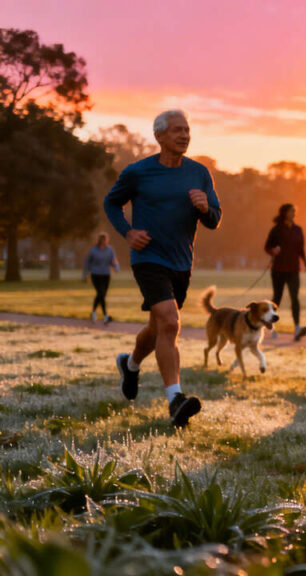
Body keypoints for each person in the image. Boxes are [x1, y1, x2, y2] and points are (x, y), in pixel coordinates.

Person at [104, 109, 221, 427]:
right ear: (159, 136)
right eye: (177, 130)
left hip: (181, 262)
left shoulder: (199, 173)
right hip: (148, 259)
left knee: (158, 329)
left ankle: (130, 364)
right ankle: (175, 400)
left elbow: (214, 219)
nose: (184, 135)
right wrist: (128, 231)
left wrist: (204, 207)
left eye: (187, 130)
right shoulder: (138, 172)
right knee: (171, 323)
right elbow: (111, 203)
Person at [264, 203, 306, 341]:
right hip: (278, 269)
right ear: (284, 213)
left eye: (294, 211)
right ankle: (270, 325)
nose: (294, 213)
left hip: (293, 269)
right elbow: (267, 247)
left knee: (295, 298)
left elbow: (301, 249)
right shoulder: (276, 230)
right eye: (291, 211)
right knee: (277, 298)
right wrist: (273, 250)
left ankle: (297, 328)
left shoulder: (298, 230)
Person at [83, 232, 120, 324]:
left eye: (105, 239)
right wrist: (85, 274)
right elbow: (88, 262)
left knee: (102, 295)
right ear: (99, 240)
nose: (104, 241)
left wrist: (116, 266)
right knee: (101, 293)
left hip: (106, 275)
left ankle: (94, 313)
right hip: (95, 274)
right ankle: (105, 316)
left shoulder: (110, 250)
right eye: (102, 239)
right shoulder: (94, 250)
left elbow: (112, 260)